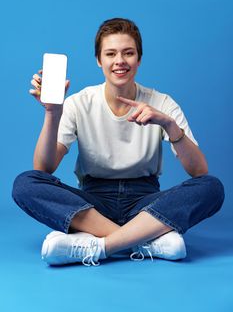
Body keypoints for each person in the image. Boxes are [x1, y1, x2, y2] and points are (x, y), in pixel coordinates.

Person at [12, 18, 224, 266]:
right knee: (25, 183)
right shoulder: (79, 103)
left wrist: (169, 125)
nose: (119, 61)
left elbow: (199, 172)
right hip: (93, 204)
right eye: (110, 53)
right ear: (99, 61)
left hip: (145, 202)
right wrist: (52, 113)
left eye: (128, 53)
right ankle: (146, 241)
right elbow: (43, 168)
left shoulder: (162, 102)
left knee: (212, 187)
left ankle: (100, 245)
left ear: (139, 59)